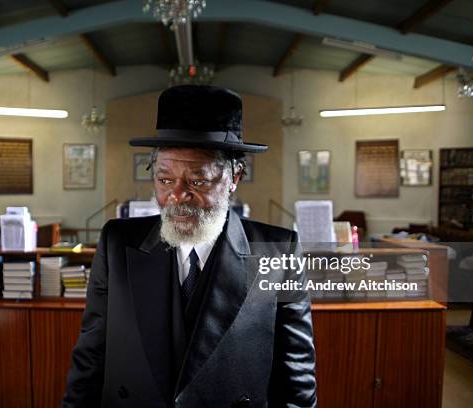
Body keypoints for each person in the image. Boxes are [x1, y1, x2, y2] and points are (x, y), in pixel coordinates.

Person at [63, 85, 317, 408]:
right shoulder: (116, 243)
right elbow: (89, 361)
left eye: (197, 181)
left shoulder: (279, 252)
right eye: (165, 179)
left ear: (235, 177)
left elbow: (297, 381)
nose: (177, 195)